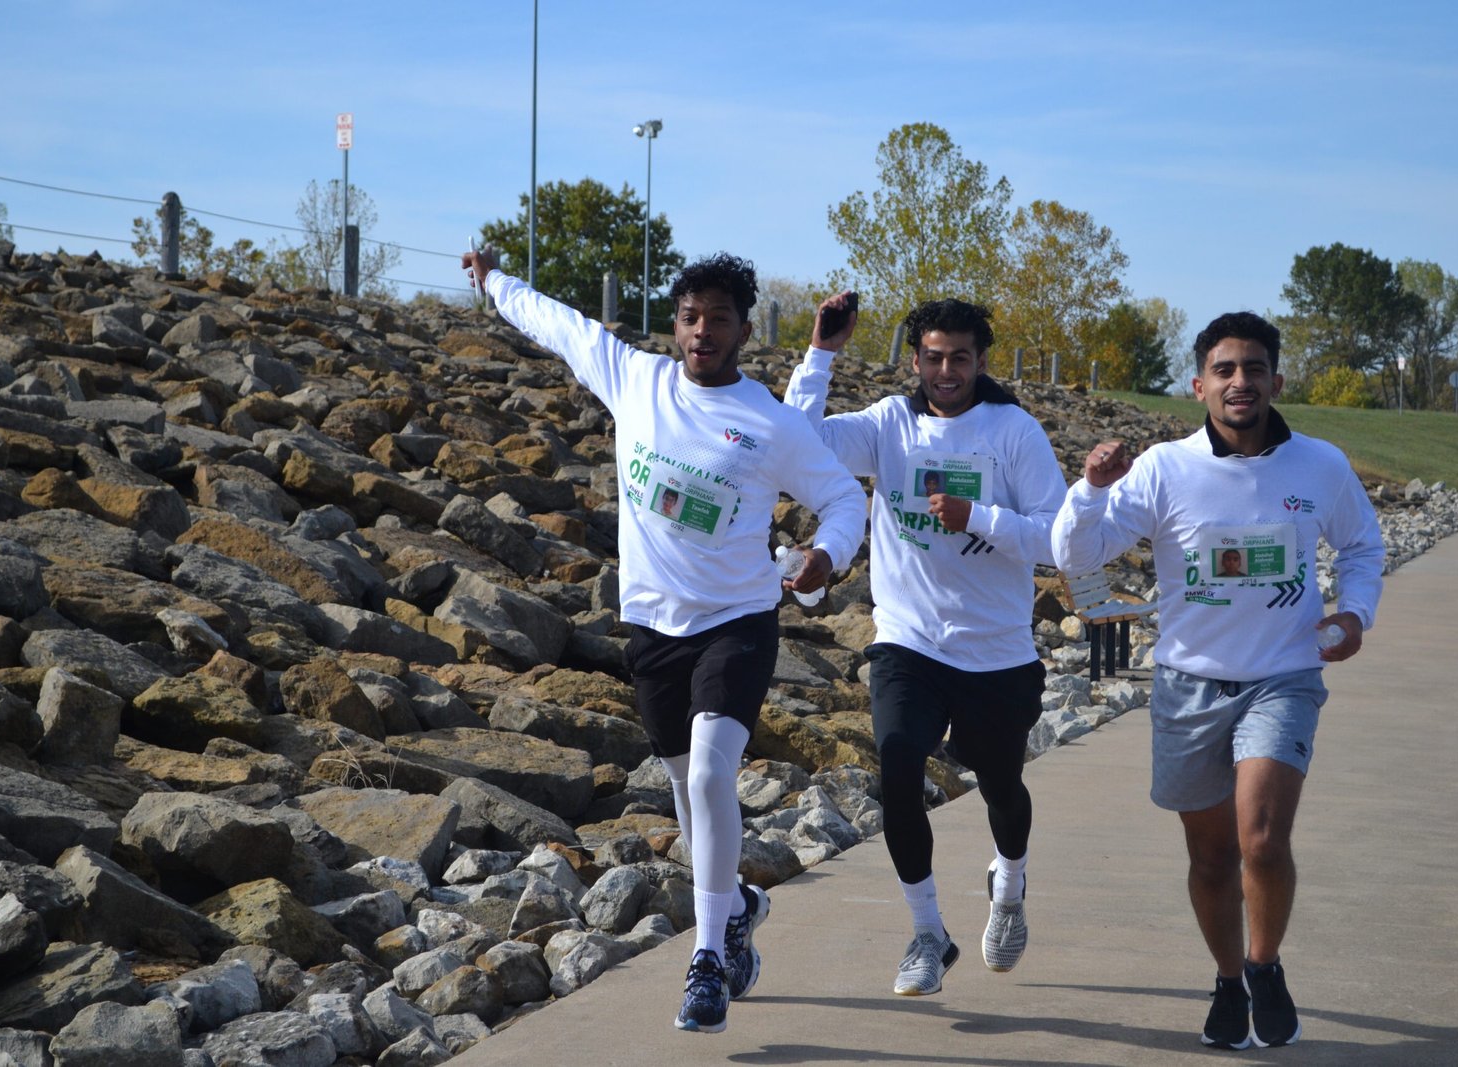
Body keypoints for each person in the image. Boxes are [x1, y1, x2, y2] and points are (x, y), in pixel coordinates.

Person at [463, 248, 867, 1034]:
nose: (702, 330)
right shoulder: (635, 379)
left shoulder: (772, 422)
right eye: (690, 317)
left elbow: (845, 499)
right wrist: (494, 282)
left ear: (744, 330)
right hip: (653, 626)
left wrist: (826, 555)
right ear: (675, 325)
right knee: (687, 794)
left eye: (719, 318)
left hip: (738, 622)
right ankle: (737, 907)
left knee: (714, 774)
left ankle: (707, 959)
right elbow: (560, 325)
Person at [1051, 311, 1384, 1050]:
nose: (1241, 382)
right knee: (1210, 857)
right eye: (1224, 370)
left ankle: (1264, 966)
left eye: (1254, 368)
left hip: (1283, 677)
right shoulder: (1164, 468)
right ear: (1199, 385)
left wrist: (1355, 612)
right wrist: (1091, 490)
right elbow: (1080, 555)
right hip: (1188, 685)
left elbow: (1362, 546)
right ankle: (1229, 980)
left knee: (1261, 840)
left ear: (1276, 381)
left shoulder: (1321, 465)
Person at [784, 294, 1067, 996]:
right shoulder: (890, 424)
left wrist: (981, 517)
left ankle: (1009, 883)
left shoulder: (1013, 431)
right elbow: (796, 440)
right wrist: (821, 353)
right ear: (914, 360)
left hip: (995, 652)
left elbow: (1058, 537)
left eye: (959, 358)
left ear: (980, 361)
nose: (946, 371)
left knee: (1001, 787)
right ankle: (928, 932)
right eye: (934, 358)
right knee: (898, 764)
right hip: (907, 641)